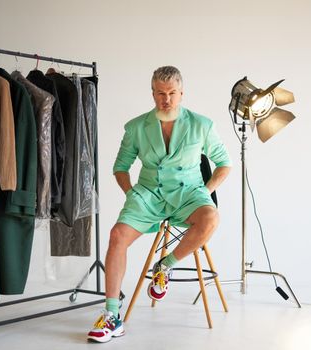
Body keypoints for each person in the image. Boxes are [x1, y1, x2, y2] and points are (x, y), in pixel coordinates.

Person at [87, 66, 231, 343]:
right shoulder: (136, 126)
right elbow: (120, 167)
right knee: (117, 235)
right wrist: (131, 193)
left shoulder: (202, 124)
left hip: (189, 193)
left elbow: (225, 163)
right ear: (153, 93)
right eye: (161, 94)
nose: (167, 99)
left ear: (182, 93)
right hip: (148, 193)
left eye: (172, 93)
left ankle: (165, 265)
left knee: (211, 218)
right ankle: (111, 315)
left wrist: (205, 190)